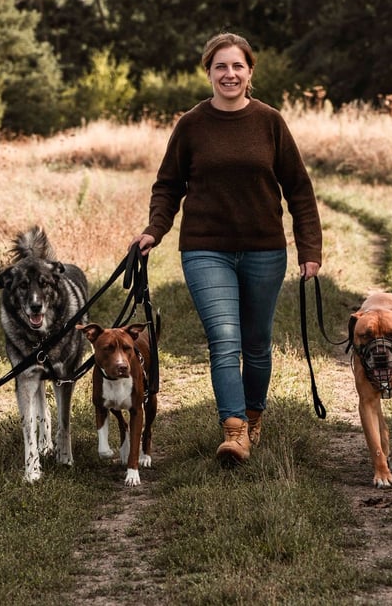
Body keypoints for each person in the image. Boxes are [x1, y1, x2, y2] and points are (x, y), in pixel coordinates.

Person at [131, 32, 322, 465]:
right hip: (205, 250)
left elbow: (299, 189)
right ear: (209, 72)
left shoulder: (270, 122)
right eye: (221, 66)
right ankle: (234, 431)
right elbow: (168, 186)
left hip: (263, 251)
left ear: (250, 71)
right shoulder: (192, 125)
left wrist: (310, 248)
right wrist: (154, 230)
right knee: (224, 339)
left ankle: (254, 417)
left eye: (237, 66)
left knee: (256, 344)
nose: (229, 74)